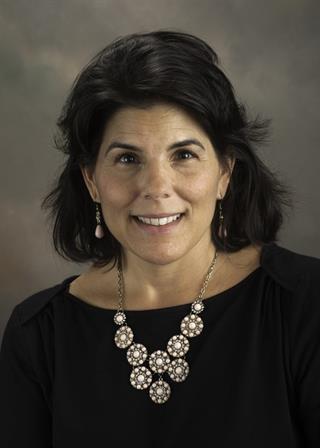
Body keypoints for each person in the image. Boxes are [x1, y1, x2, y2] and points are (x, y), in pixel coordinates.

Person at [0, 30, 319, 447]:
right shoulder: (37, 336)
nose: (155, 187)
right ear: (91, 180)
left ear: (225, 172)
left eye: (184, 155)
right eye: (127, 158)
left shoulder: (305, 304)